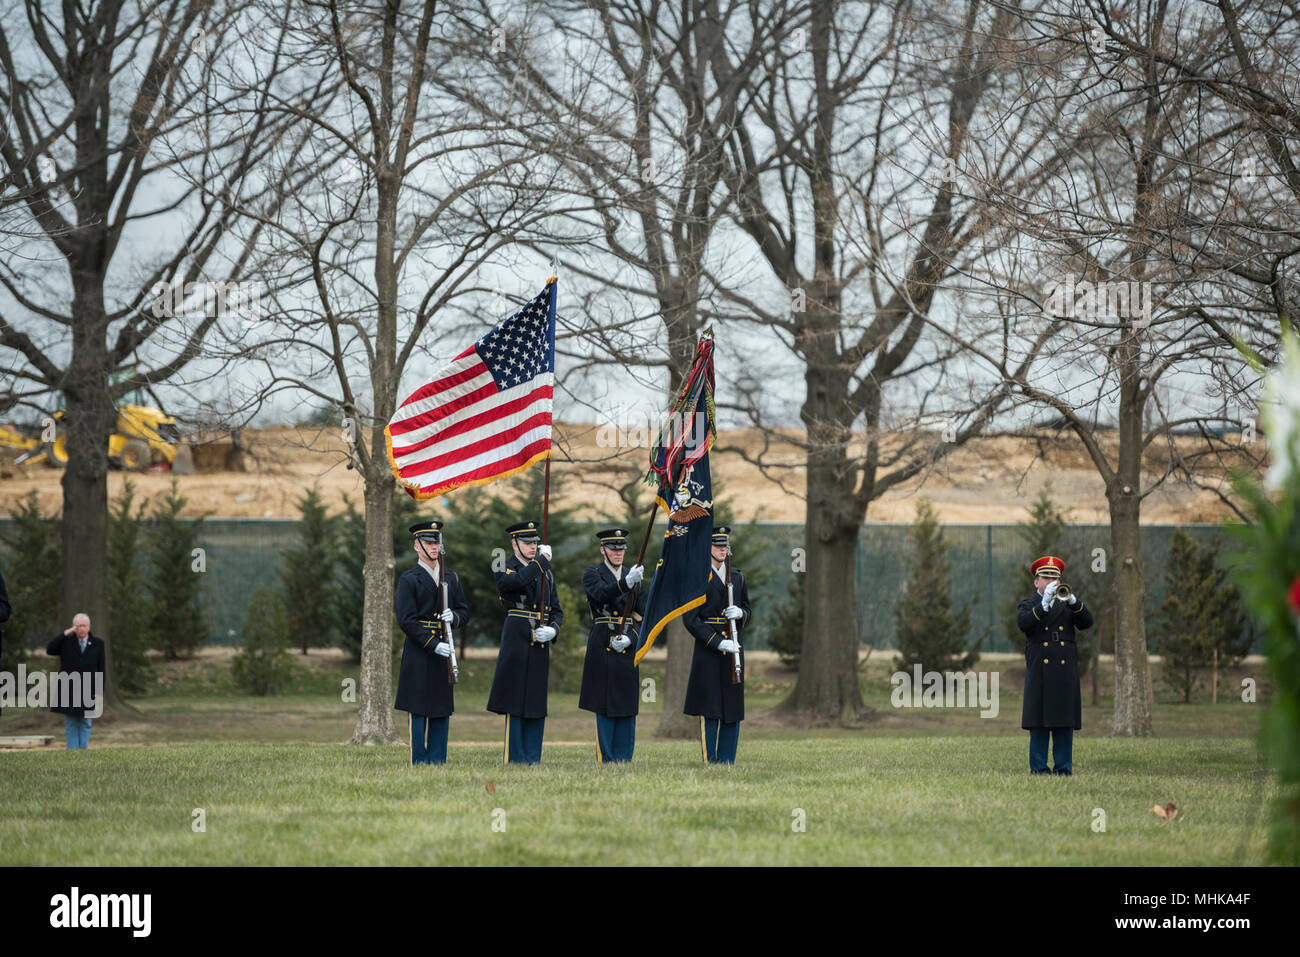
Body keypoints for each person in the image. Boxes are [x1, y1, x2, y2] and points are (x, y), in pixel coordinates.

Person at [394, 520, 470, 765]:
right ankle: (419, 759)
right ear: (417, 546)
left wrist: (455, 618)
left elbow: (464, 611)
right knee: (418, 705)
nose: (434, 547)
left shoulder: (451, 577)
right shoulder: (409, 579)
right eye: (428, 542)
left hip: (444, 645)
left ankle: (438, 759)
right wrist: (431, 643)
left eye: (436, 542)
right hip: (420, 648)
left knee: (441, 705)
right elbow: (406, 620)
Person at [487, 520, 563, 765]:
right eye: (527, 543)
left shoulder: (546, 572)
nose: (532, 547)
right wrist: (541, 563)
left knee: (535, 698)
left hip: (540, 637)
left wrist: (553, 629)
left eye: (535, 543)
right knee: (515, 696)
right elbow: (510, 584)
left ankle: (533, 757)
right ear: (514, 544)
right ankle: (515, 757)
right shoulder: (504, 564)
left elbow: (557, 610)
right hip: (517, 635)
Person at [1018, 555, 1093, 775]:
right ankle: (1039, 768)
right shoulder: (1029, 604)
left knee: (1064, 721)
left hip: (1064, 670)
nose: (1051, 581)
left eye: (1055, 577)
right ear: (1036, 582)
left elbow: (1087, 622)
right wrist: (1043, 605)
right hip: (1040, 668)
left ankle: (1063, 768)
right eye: (1046, 577)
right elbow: (1024, 623)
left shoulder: (1067, 603)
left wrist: (1074, 602)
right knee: (1039, 722)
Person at [682, 526, 751, 764]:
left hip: (734, 646)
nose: (722, 549)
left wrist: (740, 613)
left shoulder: (738, 577)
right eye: (717, 545)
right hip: (709, 649)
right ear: (707, 548)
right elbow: (690, 620)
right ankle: (710, 758)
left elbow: (748, 610)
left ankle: (727, 760)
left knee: (732, 708)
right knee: (710, 707)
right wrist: (718, 642)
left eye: (724, 545)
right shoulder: (698, 578)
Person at [579, 528, 646, 763]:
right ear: (603, 550)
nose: (618, 553)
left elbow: (644, 616)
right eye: (613, 549)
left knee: (627, 701)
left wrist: (632, 638)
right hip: (602, 641)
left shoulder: (633, 575)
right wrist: (624, 583)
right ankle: (606, 756)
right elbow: (599, 594)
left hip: (626, 642)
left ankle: (624, 756)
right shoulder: (593, 573)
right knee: (604, 702)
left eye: (621, 549)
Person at [46, 614, 105, 750]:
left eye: (84, 626)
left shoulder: (98, 644)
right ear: (74, 628)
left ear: (89, 627)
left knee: (85, 721)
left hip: (89, 689)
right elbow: (50, 650)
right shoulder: (66, 642)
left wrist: (99, 690)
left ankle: (83, 750)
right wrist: (64, 634)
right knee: (71, 722)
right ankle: (72, 751)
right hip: (69, 688)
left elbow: (101, 668)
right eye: (78, 626)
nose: (81, 629)